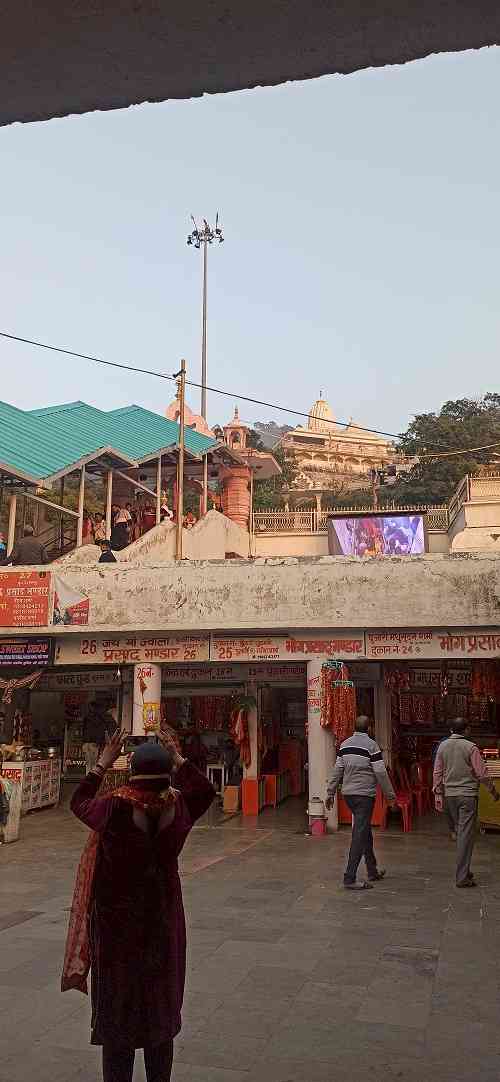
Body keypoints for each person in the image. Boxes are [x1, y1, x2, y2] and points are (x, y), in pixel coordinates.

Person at [62, 727, 216, 1082]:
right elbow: (205, 791)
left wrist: (101, 763)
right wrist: (179, 758)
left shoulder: (114, 807)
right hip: (163, 919)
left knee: (118, 1012)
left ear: (132, 772)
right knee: (160, 1010)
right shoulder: (178, 808)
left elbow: (78, 802)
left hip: (117, 926)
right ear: (166, 772)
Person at [325, 715, 396, 891]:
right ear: (369, 728)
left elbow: (337, 770)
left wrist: (330, 792)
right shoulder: (372, 746)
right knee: (359, 835)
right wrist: (390, 796)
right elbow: (381, 773)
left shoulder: (345, 745)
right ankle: (349, 877)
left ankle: (372, 870)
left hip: (348, 795)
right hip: (364, 797)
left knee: (364, 831)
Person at [433, 717, 499, 887]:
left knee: (460, 832)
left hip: (450, 796)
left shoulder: (443, 746)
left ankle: (465, 870)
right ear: (467, 730)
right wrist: (493, 791)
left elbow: (437, 772)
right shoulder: (471, 747)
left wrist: (438, 794)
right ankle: (462, 877)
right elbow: (482, 773)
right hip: (467, 796)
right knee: (465, 836)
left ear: (451, 731)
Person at [82, 704, 108, 774]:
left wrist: (84, 742)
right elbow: (101, 731)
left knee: (88, 764)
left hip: (87, 743)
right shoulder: (100, 718)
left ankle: (88, 778)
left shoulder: (87, 718)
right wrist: (99, 742)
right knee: (93, 765)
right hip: (93, 743)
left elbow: (84, 730)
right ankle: (91, 780)